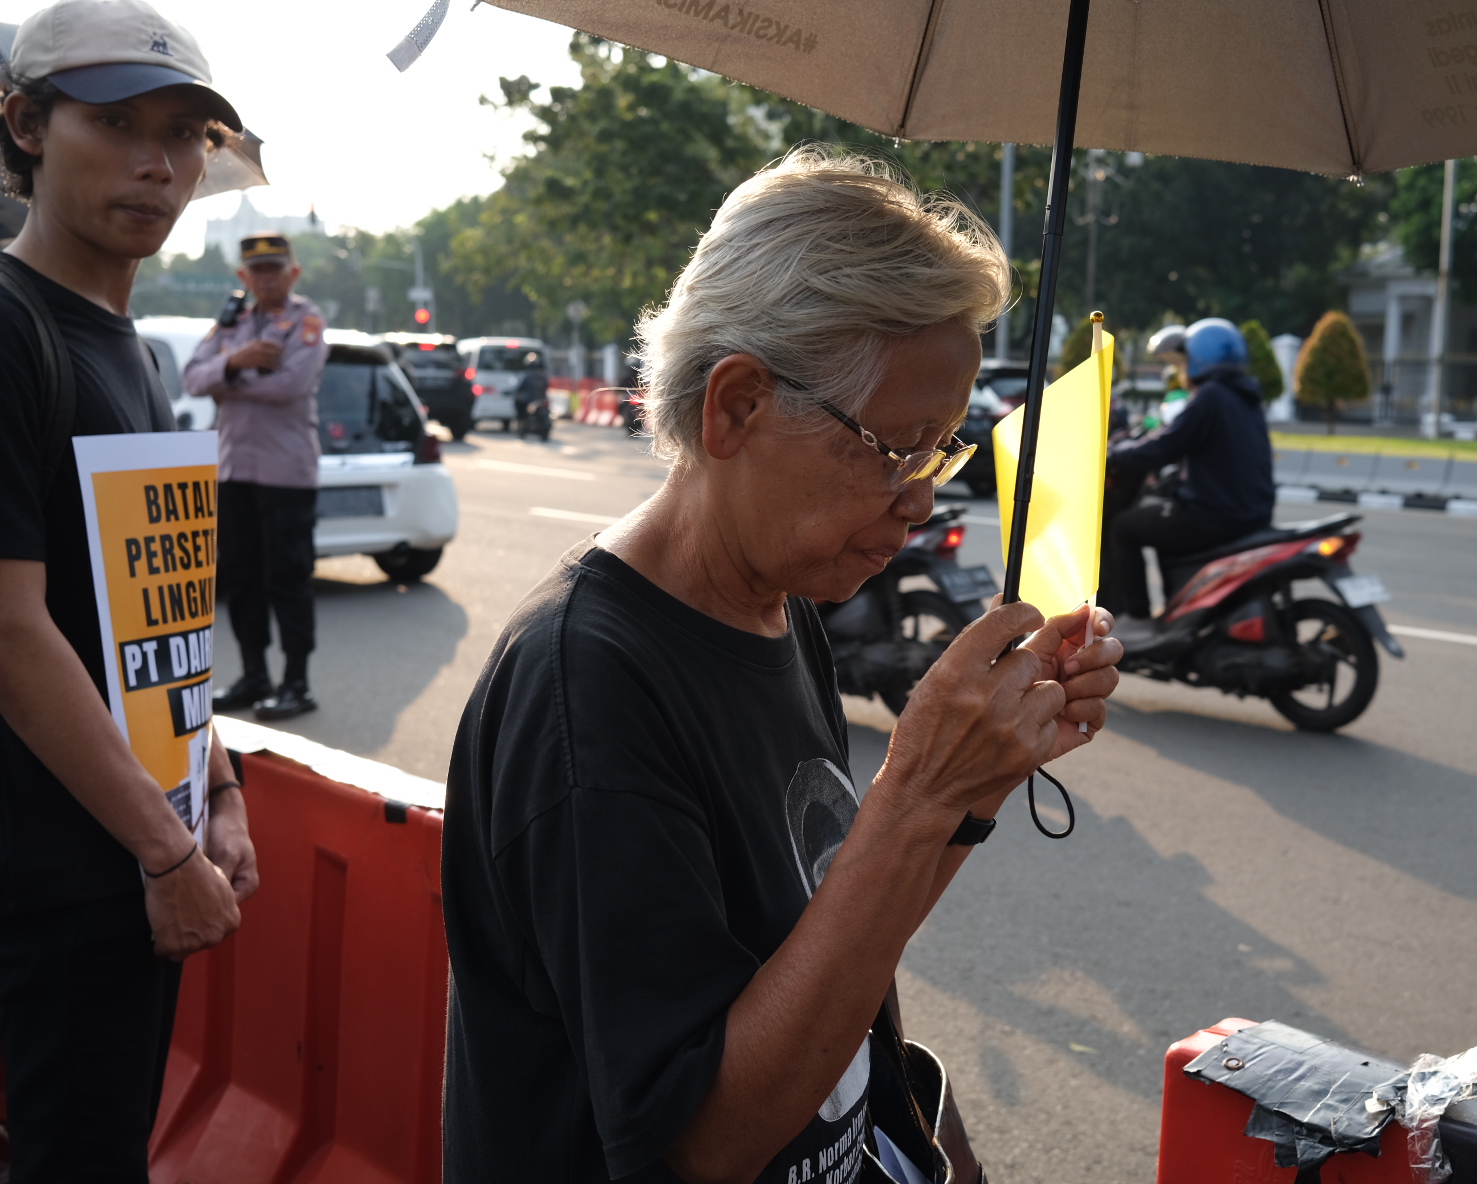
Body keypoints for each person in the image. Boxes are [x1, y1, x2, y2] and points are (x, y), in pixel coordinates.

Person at [441, 148, 1122, 1184]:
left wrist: (970, 788)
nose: (922, 498)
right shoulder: (589, 688)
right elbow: (704, 1137)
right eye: (895, 446)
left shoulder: (776, 606)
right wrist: (917, 788)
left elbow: (829, 929)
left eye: (942, 451)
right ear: (738, 407)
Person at [0, 2, 258, 1178]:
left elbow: (151, 610)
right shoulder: (11, 330)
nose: (158, 162)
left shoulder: (138, 352)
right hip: (54, 873)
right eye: (115, 122)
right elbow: (11, 634)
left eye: (185, 133)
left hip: (124, 850)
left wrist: (221, 787)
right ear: (27, 124)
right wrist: (166, 853)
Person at [184, 232, 328, 720]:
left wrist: (226, 380)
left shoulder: (306, 322)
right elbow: (191, 377)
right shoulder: (232, 324)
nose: (266, 278)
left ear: (294, 272)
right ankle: (253, 675)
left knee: (288, 578)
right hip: (234, 470)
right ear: (244, 277)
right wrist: (240, 361)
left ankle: (297, 682)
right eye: (257, 270)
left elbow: (291, 384)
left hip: (286, 473)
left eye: (275, 268)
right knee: (242, 577)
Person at [1101, 319, 1275, 637]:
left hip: (1215, 515)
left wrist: (1113, 455)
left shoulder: (1211, 396)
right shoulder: (1245, 397)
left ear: (1201, 358)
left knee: (1124, 527)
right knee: (1164, 527)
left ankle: (1137, 618)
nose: (1182, 368)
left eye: (1184, 360)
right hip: (1251, 513)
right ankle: (1177, 613)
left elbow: (1165, 445)